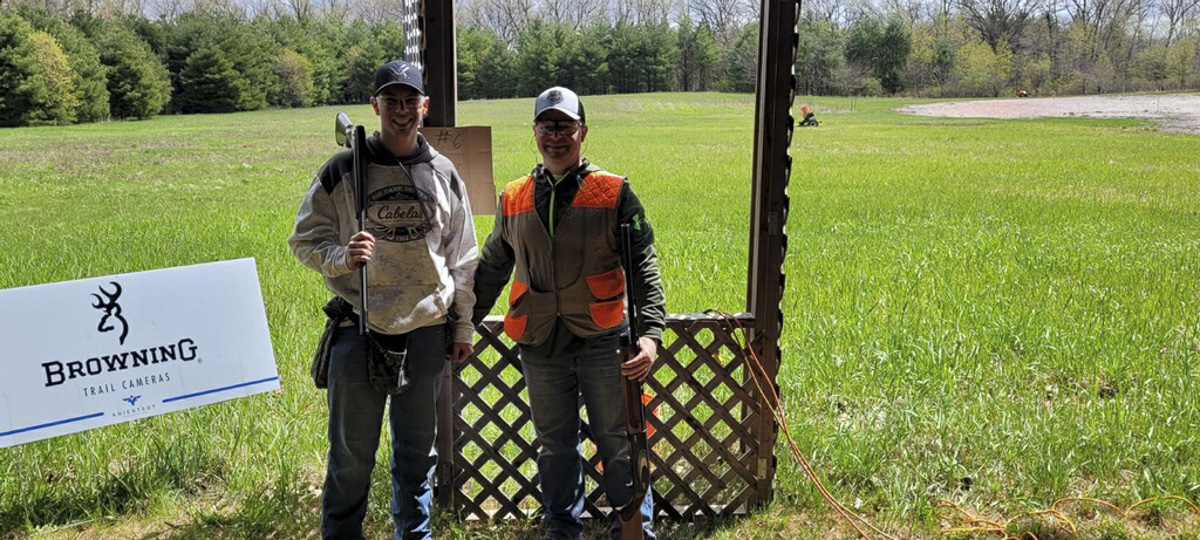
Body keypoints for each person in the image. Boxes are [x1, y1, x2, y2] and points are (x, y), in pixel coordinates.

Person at [289, 59, 478, 540]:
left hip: (427, 330)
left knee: (416, 456)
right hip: (359, 328)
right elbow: (303, 241)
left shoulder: (443, 172)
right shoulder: (342, 169)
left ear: (424, 105)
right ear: (375, 106)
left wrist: (461, 326)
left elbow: (462, 257)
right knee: (351, 458)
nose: (401, 109)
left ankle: (414, 535)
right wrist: (342, 257)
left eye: (410, 100)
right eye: (391, 100)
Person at [473, 86, 666, 540]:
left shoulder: (615, 191)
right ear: (535, 131)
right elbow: (493, 266)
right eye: (547, 126)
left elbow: (643, 264)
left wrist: (650, 334)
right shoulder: (513, 196)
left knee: (618, 439)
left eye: (565, 127)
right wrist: (464, 324)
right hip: (540, 341)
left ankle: (633, 528)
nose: (556, 136)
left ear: (583, 131)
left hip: (604, 339)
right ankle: (562, 528)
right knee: (554, 445)